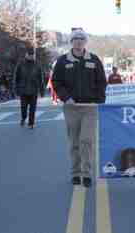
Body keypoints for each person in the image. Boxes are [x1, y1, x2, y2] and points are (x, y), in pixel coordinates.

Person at [52, 28, 107, 187]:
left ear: (85, 41)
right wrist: (66, 98)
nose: (79, 41)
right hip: (71, 107)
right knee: (74, 142)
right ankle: (76, 172)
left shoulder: (94, 59)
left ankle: (87, 173)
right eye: (75, 38)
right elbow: (56, 82)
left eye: (81, 38)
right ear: (71, 41)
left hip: (90, 107)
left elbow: (102, 82)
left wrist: (99, 101)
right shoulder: (63, 61)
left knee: (87, 140)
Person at [14, 47, 44, 129]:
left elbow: (41, 78)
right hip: (23, 90)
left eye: (32, 55)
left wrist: (42, 91)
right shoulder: (20, 64)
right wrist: (16, 90)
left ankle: (31, 123)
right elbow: (16, 77)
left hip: (34, 90)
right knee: (23, 107)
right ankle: (23, 118)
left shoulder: (37, 64)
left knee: (33, 108)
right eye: (29, 54)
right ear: (26, 54)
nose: (31, 56)